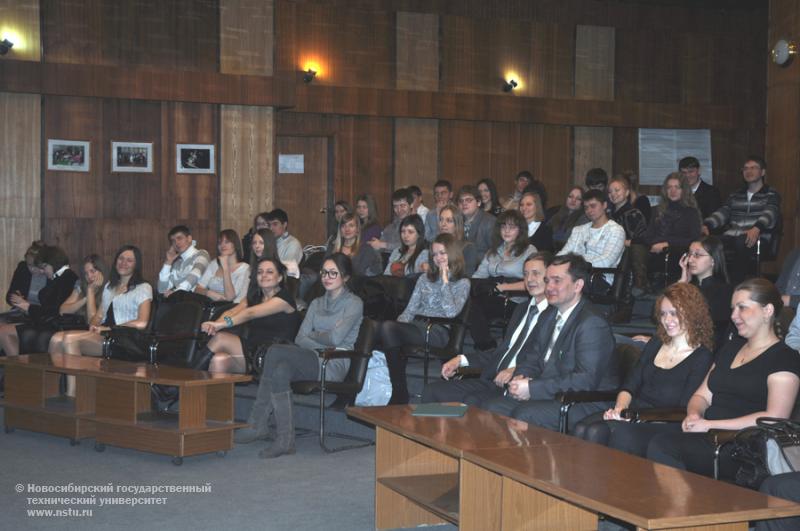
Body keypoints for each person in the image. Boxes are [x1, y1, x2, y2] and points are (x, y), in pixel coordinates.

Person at [647, 278, 800, 480]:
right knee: (644, 439)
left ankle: (683, 510)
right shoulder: (731, 348)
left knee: (663, 446)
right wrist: (694, 415)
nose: (734, 315)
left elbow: (774, 418)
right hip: (708, 433)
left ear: (767, 311)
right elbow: (702, 395)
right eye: (733, 308)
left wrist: (710, 425)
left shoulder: (784, 357)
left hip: (743, 446)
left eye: (742, 308)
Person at [241, 253, 363, 458]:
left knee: (276, 350)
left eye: (334, 273)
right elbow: (300, 338)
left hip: (334, 362)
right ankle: (285, 440)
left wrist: (315, 336)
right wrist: (322, 337)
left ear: (346, 277)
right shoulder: (315, 303)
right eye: (324, 272)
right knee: (280, 371)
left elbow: (336, 339)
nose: (327, 277)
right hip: (310, 357)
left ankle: (257, 422)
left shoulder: (354, 303)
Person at [572, 282, 714, 456]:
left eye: (674, 314)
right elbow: (630, 385)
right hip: (634, 411)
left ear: (692, 314)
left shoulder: (702, 356)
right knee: (582, 428)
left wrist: (636, 417)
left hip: (664, 421)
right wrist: (620, 409)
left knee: (600, 432)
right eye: (663, 314)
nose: (667, 320)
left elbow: (685, 408)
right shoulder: (656, 343)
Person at [481, 253, 619, 431]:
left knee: (525, 414)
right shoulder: (549, 315)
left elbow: (585, 381)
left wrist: (533, 388)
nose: (549, 287)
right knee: (492, 407)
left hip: (585, 400)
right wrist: (520, 378)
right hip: (552, 391)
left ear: (578, 285)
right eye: (547, 281)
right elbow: (533, 358)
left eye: (557, 281)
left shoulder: (591, 324)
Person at [422, 252, 553, 405]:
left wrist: (517, 370)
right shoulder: (521, 310)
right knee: (432, 391)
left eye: (536, 273)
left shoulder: (554, 315)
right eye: (525, 274)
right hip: (493, 380)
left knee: (472, 402)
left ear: (549, 277)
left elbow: (548, 360)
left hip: (519, 384)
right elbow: (502, 351)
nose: (530, 279)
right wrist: (460, 360)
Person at [379, 234, 470, 404]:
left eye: (442, 253)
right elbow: (410, 310)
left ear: (452, 253)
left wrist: (444, 281)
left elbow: (451, 312)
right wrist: (398, 323)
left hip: (437, 330)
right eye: (434, 254)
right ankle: (398, 389)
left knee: (387, 330)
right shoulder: (424, 278)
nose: (438, 258)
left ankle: (399, 392)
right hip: (417, 325)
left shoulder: (462, 282)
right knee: (383, 328)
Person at [200, 257, 299, 375]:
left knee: (221, 338)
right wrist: (215, 325)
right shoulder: (254, 297)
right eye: (260, 272)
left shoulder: (284, 299)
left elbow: (249, 313)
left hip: (274, 354)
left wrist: (219, 325)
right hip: (252, 352)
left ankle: (187, 380)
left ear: (279, 278)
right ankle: (210, 393)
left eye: (269, 272)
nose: (264, 275)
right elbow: (231, 313)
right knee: (219, 360)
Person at [49, 245, 152, 357]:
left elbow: (142, 323)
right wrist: (95, 326)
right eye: (121, 258)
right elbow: (98, 317)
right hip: (105, 334)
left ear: (136, 265)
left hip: (125, 339)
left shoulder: (143, 287)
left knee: (69, 340)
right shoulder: (110, 287)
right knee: (56, 339)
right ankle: (60, 375)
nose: (123, 263)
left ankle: (77, 375)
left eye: (129, 260)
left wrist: (110, 328)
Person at [703, 156, 781, 284]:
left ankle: (734, 285)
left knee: (741, 242)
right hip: (734, 236)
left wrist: (757, 228)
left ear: (762, 172)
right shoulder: (736, 195)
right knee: (710, 242)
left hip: (759, 238)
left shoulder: (771, 194)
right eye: (745, 168)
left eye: (753, 168)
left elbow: (770, 213)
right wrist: (707, 224)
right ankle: (713, 283)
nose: (748, 171)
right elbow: (724, 212)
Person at [468, 210, 536, 351]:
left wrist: (505, 287)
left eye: (512, 227)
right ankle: (485, 344)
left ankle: (485, 346)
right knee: (468, 302)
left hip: (515, 300)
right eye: (503, 227)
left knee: (475, 306)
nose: (506, 231)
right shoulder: (493, 251)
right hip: (493, 295)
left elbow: (534, 282)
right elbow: (477, 277)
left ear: (520, 230)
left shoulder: (529, 251)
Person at [0, 246, 79, 356]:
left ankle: (19, 369)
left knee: (4, 331)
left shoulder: (68, 277)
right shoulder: (58, 277)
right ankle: (17, 369)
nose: (42, 271)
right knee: (3, 330)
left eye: (44, 267)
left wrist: (28, 307)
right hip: (44, 321)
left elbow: (55, 311)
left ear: (53, 263)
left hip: (54, 325)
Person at [558, 189, 625, 291]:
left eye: (593, 206)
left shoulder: (616, 230)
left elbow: (606, 261)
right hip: (573, 273)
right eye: (586, 207)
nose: (589, 210)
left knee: (562, 284)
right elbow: (563, 254)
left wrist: (575, 266)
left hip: (599, 278)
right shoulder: (579, 230)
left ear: (604, 205)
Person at [643, 173, 702, 285]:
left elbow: (694, 239)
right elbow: (648, 236)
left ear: (684, 190)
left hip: (680, 252)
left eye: (677, 187)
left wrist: (667, 243)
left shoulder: (691, 212)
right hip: (655, 250)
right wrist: (657, 244)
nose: (673, 191)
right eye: (669, 187)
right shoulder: (656, 210)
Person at [678, 236, 734, 349]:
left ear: (713, 260)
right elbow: (658, 315)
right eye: (689, 254)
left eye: (697, 255)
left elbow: (703, 327)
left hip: (704, 348)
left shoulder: (725, 291)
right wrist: (682, 283)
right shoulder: (689, 287)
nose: (690, 260)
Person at [608, 175, 648, 293]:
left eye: (617, 190)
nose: (613, 194)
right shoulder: (608, 215)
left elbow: (641, 239)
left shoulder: (634, 213)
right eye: (610, 192)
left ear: (626, 193)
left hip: (628, 254)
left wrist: (622, 242)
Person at [196, 230, 251, 303]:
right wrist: (208, 293)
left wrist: (225, 268)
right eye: (220, 242)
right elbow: (198, 289)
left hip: (231, 308)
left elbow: (230, 297)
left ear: (235, 244)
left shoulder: (245, 268)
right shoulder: (214, 263)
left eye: (227, 242)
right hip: (209, 305)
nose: (222, 245)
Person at [157, 225, 210, 297]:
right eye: (173, 241)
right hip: (180, 302)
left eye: (179, 238)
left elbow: (194, 277)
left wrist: (175, 293)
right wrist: (168, 262)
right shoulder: (177, 263)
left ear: (189, 238)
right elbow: (162, 289)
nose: (176, 243)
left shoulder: (202, 254)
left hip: (198, 302)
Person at [4, 241, 48, 318]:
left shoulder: (50, 275)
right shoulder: (23, 268)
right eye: (29, 265)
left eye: (35, 265)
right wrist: (15, 297)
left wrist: (26, 305)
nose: (32, 269)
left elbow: (49, 308)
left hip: (39, 315)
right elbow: (9, 296)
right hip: (20, 312)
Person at [59, 254, 110, 319]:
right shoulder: (81, 284)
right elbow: (62, 311)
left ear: (102, 271)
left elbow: (92, 321)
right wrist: (86, 298)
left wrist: (90, 292)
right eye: (86, 273)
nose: (89, 276)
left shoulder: (109, 287)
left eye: (92, 271)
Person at [438, 203, 479, 276]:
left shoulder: (468, 248)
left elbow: (466, 276)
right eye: (441, 219)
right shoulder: (436, 245)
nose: (443, 224)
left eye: (449, 221)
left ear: (457, 224)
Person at [370, 188, 413, 253]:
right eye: (395, 206)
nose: (399, 210)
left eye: (402, 206)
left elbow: (409, 245)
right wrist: (375, 245)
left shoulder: (416, 224)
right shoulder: (390, 227)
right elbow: (380, 247)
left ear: (411, 205)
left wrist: (384, 245)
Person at [546, 186, 588, 252]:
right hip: (550, 251)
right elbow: (546, 232)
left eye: (578, 199)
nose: (573, 200)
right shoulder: (558, 213)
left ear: (582, 203)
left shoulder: (584, 218)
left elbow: (570, 241)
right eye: (570, 196)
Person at [458, 185, 495, 260]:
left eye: (468, 200)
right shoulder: (456, 220)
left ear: (478, 202)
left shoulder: (490, 222)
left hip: (481, 269)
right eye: (461, 201)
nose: (464, 203)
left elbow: (494, 253)